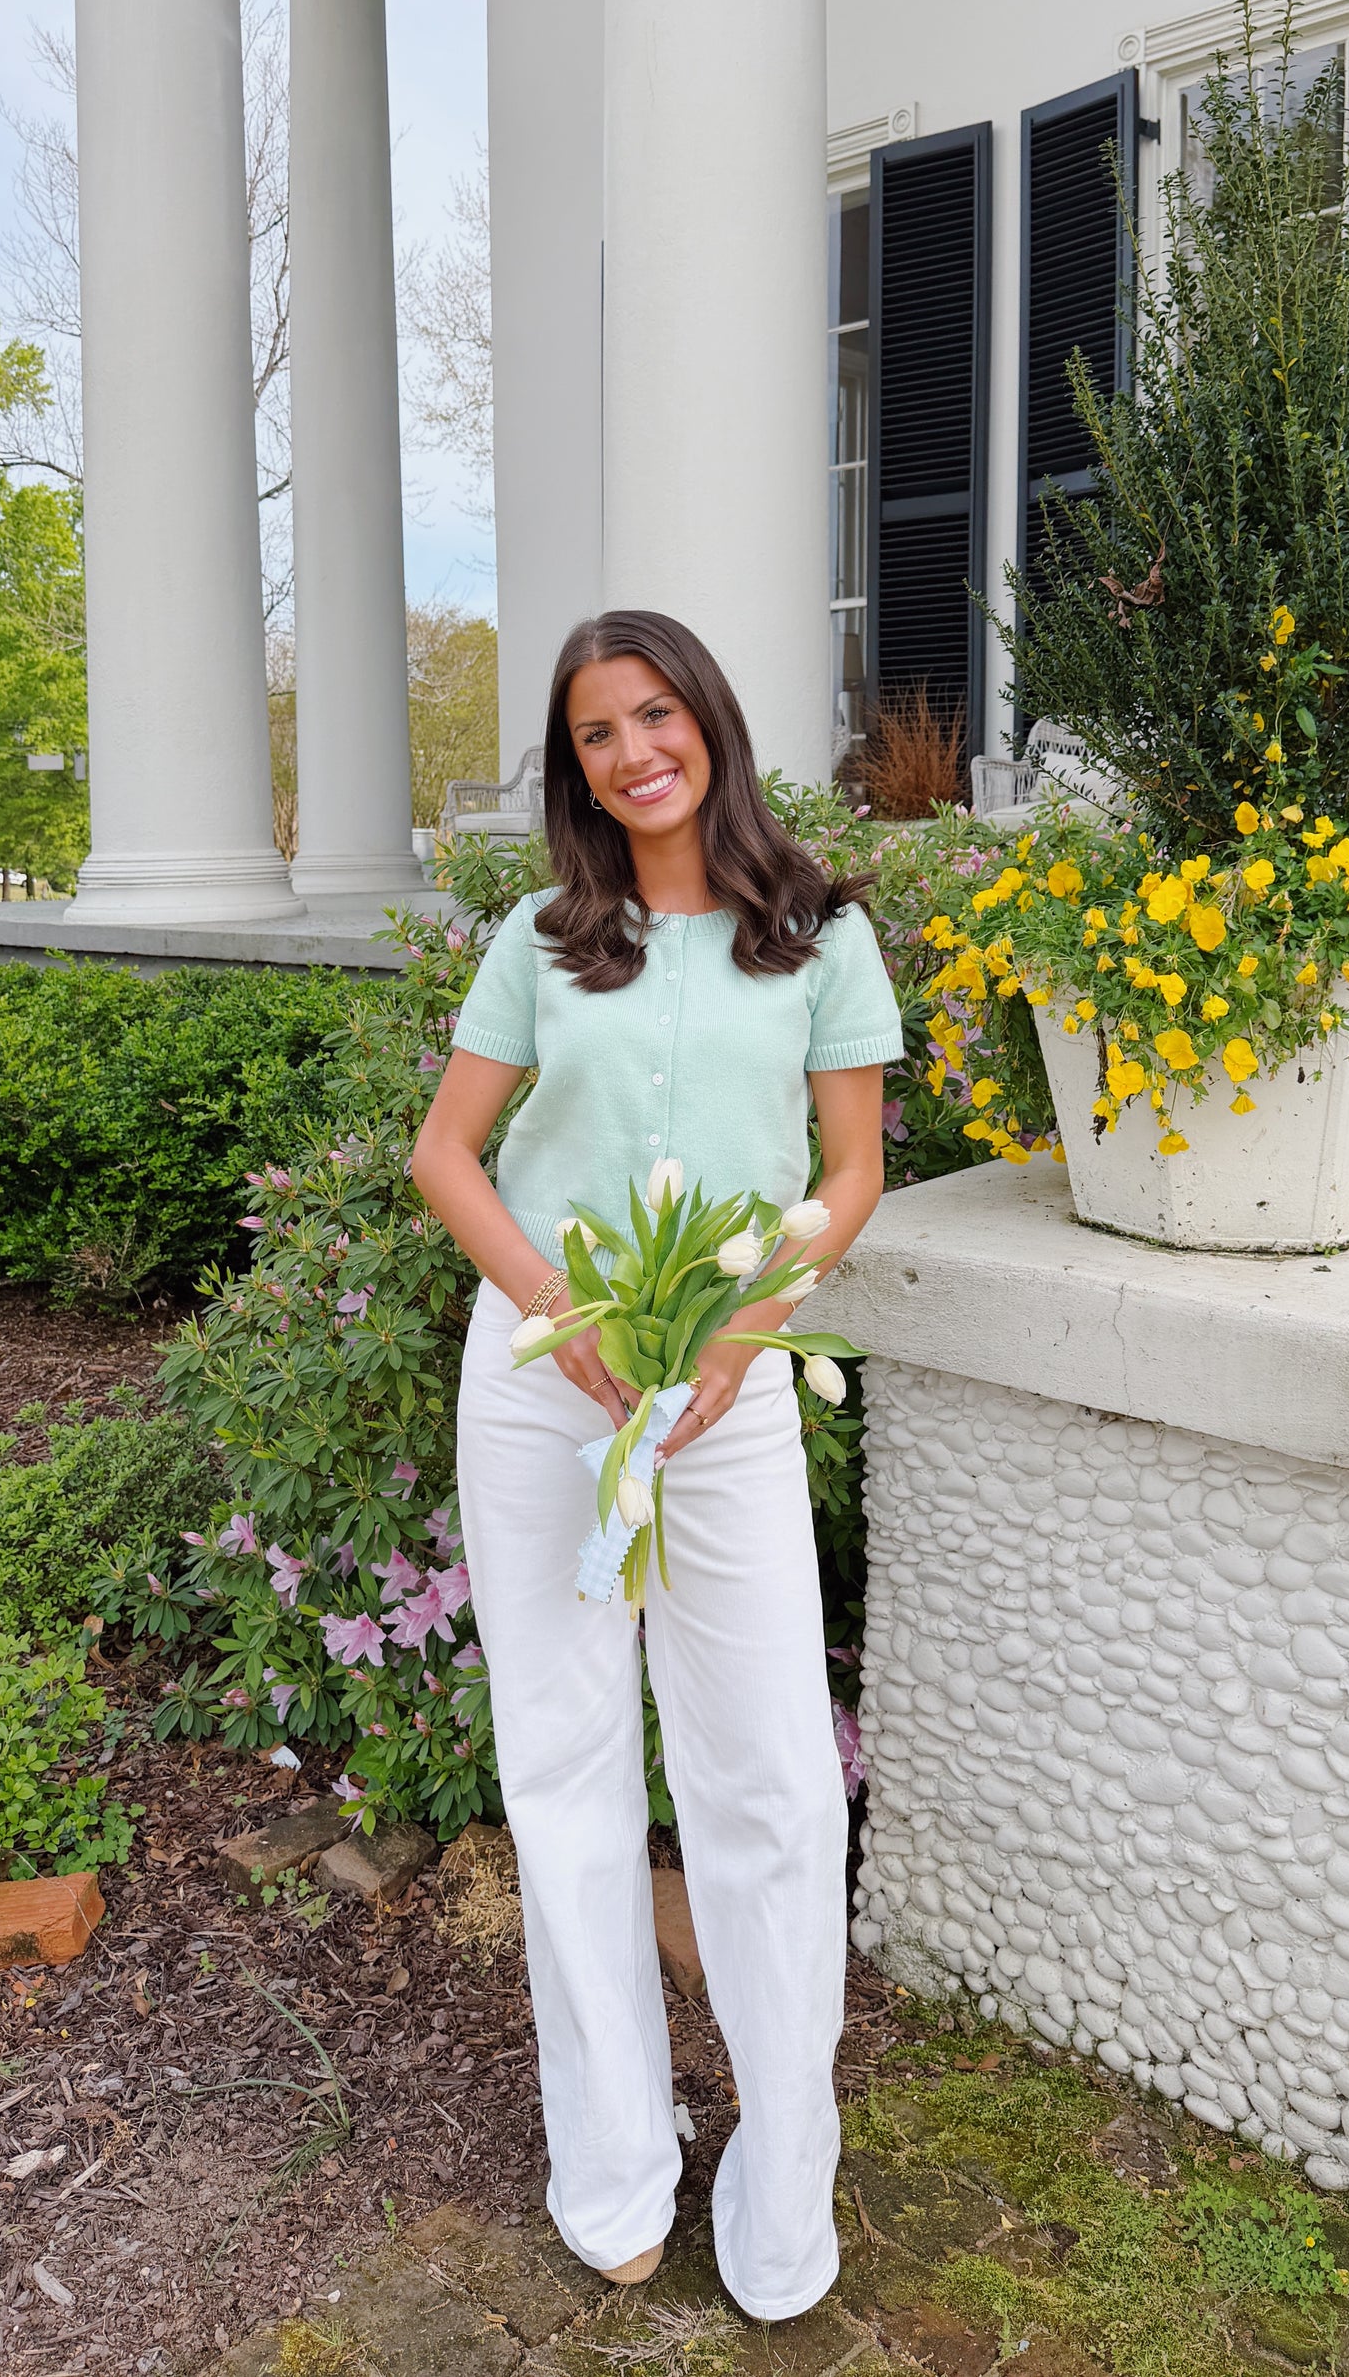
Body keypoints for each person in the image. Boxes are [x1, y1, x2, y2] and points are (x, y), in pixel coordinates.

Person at [410, 609, 901, 2323]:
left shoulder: (822, 933)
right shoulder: (542, 941)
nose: (633, 752)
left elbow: (849, 1173)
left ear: (709, 721)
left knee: (767, 1776)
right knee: (564, 1768)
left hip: (730, 1389)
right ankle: (614, 2158)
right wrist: (559, 1313)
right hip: (551, 1389)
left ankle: (785, 2171)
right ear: (578, 768)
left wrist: (740, 1325)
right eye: (597, 733)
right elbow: (448, 1156)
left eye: (654, 714)